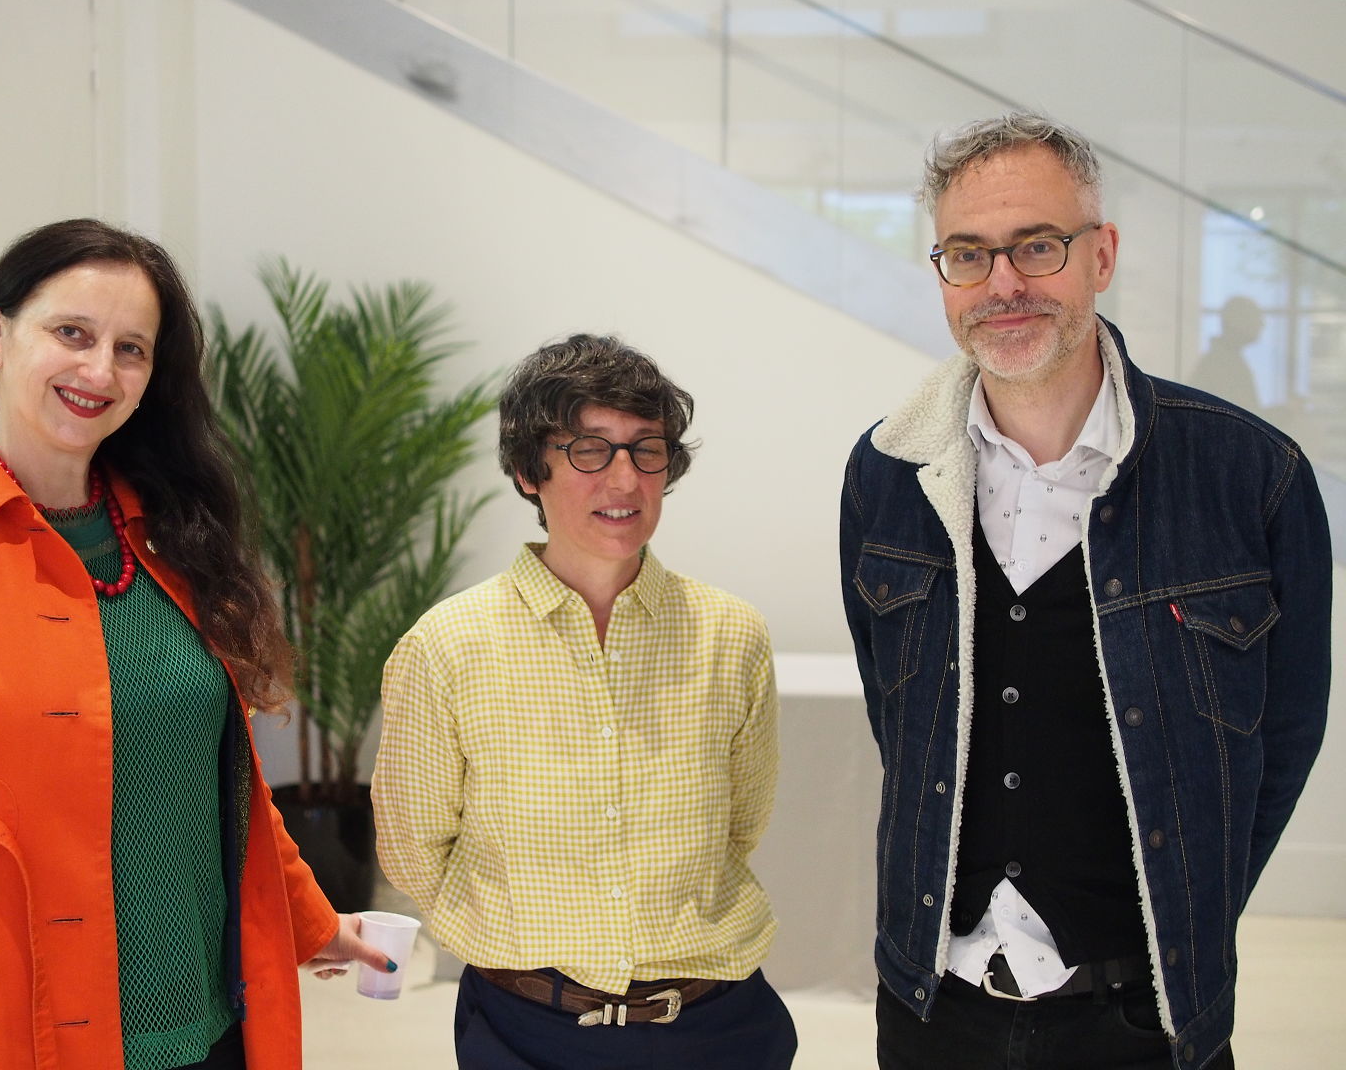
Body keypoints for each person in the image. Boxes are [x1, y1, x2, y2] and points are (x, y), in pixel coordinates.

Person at [0, 219, 391, 1070]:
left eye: (131, 350)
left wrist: (313, 920)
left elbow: (215, 778)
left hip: (213, 1027)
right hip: (20, 1031)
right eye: (72, 333)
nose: (99, 372)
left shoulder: (173, 536)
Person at [839, 112, 1331, 1070]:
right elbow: (896, 717)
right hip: (933, 1010)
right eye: (968, 254)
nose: (1004, 284)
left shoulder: (1249, 475)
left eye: (1038, 245)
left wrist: (1188, 905)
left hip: (1144, 1019)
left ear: (1101, 255)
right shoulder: (887, 473)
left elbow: (1283, 739)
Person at [372, 334, 797, 1069]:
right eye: (590, 451)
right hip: (526, 1028)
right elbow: (414, 849)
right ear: (527, 472)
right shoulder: (446, 645)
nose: (625, 479)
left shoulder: (731, 634)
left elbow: (741, 826)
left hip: (717, 1024)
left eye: (646, 450)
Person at [1187, 294, 1264, 414]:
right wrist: (1286, 411)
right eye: (1255, 318)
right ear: (1237, 322)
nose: (1261, 324)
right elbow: (1241, 417)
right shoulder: (1222, 364)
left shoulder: (1224, 360)